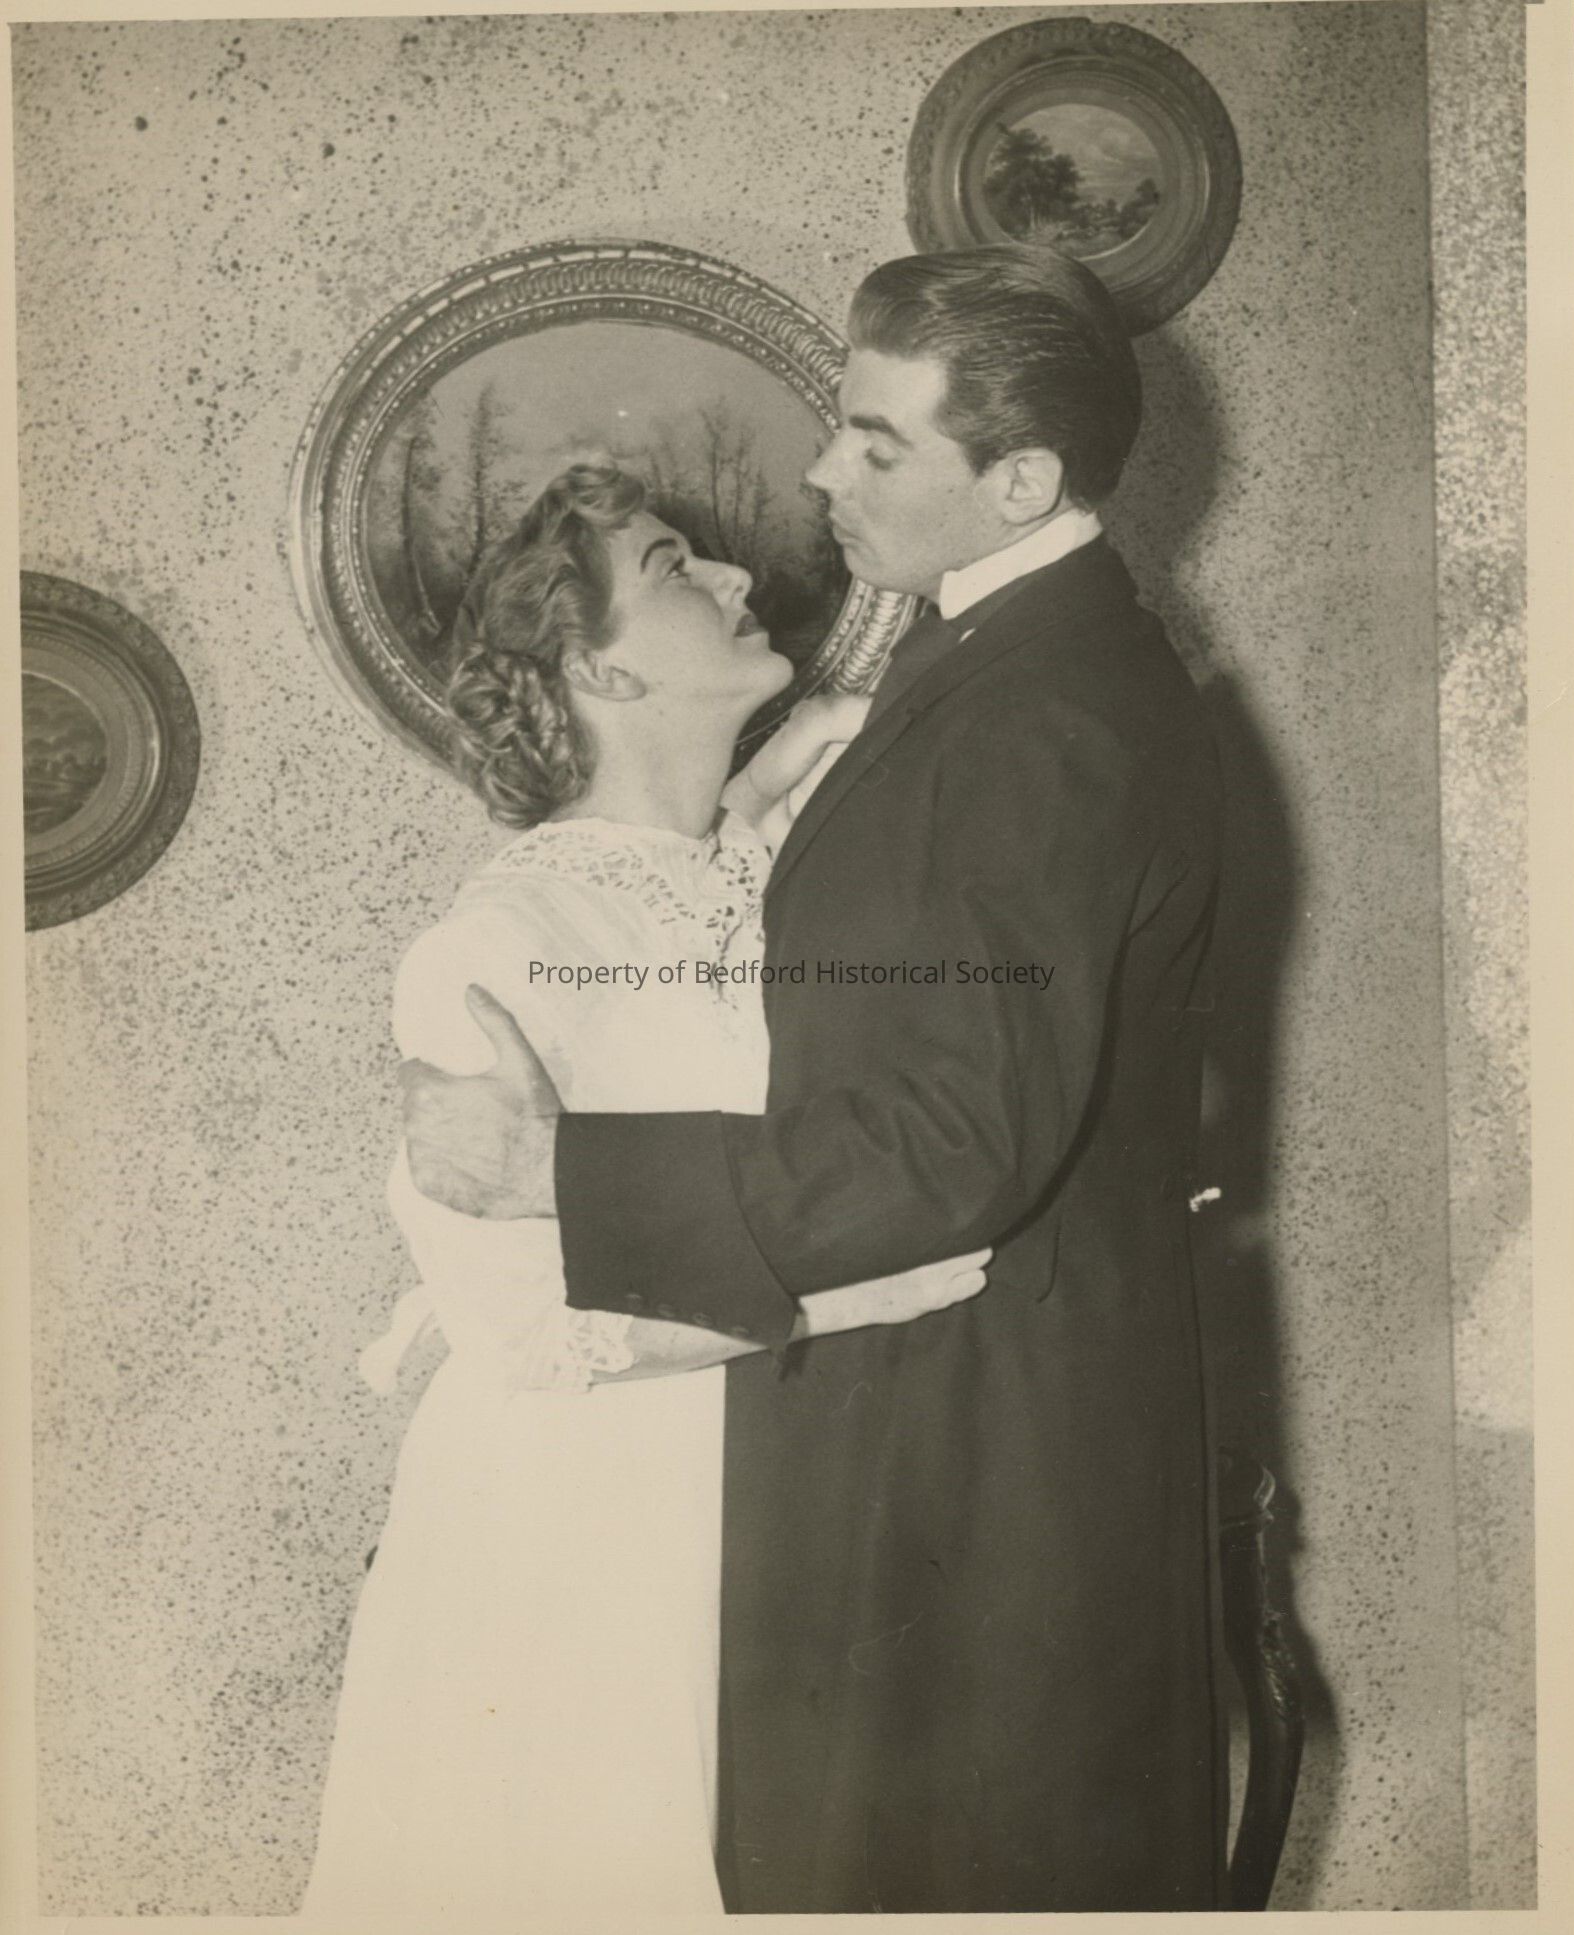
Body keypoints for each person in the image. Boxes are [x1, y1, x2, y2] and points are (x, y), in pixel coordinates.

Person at [402, 243, 1229, 1912]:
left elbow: (951, 1135)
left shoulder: (1037, 712)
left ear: (1018, 483)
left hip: (971, 1450)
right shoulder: (973, 673)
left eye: (873, 442)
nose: (815, 474)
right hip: (814, 1452)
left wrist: (563, 1171)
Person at [302, 463, 990, 1922]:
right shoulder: (497, 941)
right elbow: (526, 1335)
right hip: (584, 1527)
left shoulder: (782, 865)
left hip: (789, 1480)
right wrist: (856, 1299)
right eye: (678, 565)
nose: (740, 578)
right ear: (598, 665)